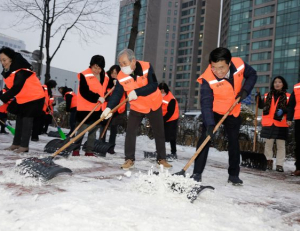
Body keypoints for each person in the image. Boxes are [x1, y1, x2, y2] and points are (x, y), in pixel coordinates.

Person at [192, 47, 257, 185]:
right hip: (214, 112)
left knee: (233, 141)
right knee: (205, 138)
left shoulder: (239, 64)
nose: (218, 71)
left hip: (233, 110)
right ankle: (196, 173)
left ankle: (233, 174)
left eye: (221, 67)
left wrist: (245, 91)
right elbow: (205, 103)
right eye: (214, 67)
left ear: (229, 63)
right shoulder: (207, 78)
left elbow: (252, 75)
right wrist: (210, 124)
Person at [101, 48, 172, 170]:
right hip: (137, 106)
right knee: (130, 132)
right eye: (120, 64)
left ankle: (162, 159)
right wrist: (109, 108)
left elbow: (153, 85)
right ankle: (129, 159)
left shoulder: (146, 67)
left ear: (133, 61)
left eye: (124, 63)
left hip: (153, 104)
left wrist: (137, 92)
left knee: (159, 132)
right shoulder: (121, 76)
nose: (122, 66)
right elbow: (117, 93)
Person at [0, 46, 45, 153]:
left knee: (26, 121)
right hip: (23, 98)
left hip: (35, 98)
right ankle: (16, 143)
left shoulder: (22, 70)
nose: (2, 63)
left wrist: (2, 100)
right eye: (1, 60)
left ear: (11, 58)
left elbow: (16, 87)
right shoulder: (10, 71)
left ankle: (24, 146)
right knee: (19, 121)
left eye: (4, 60)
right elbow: (10, 87)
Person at [72, 55, 109, 157]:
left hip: (98, 109)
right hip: (85, 108)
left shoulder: (105, 76)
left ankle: (89, 151)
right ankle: (76, 150)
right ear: (91, 65)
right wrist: (96, 97)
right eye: (95, 67)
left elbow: (107, 87)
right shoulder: (85, 75)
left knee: (93, 132)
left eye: (99, 68)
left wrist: (114, 83)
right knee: (81, 131)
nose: (97, 70)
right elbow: (84, 91)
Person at [256, 76, 290, 172]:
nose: (277, 84)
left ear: (283, 84)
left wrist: (284, 110)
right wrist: (258, 98)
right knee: (268, 144)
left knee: (281, 145)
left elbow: (291, 108)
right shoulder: (267, 95)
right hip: (269, 123)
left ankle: (279, 164)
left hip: (281, 123)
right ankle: (268, 162)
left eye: (279, 82)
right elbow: (261, 106)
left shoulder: (288, 96)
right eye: (275, 82)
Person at [99, 65, 127, 154]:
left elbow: (122, 96)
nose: (113, 75)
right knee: (103, 128)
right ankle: (101, 145)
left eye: (116, 73)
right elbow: (103, 94)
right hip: (106, 108)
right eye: (112, 73)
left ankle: (111, 147)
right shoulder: (106, 81)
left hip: (117, 109)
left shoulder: (122, 82)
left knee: (113, 129)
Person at [158, 82, 179, 159]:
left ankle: (173, 152)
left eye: (163, 90)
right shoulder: (158, 96)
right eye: (160, 90)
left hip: (172, 119)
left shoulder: (171, 98)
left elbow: (171, 111)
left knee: (171, 136)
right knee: (161, 135)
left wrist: (163, 120)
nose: (162, 92)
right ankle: (160, 151)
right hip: (163, 118)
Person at [287, 82, 300, 176]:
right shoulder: (297, 87)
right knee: (299, 144)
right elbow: (291, 104)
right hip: (299, 119)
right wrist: (289, 118)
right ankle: (299, 168)